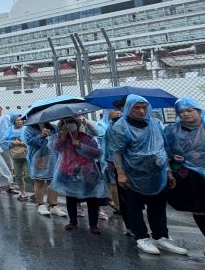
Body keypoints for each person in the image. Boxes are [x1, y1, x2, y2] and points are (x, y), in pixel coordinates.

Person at [107, 94, 187, 256]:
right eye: (137, 108)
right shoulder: (120, 126)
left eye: (144, 107)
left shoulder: (154, 123)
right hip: (133, 173)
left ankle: (160, 236)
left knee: (158, 206)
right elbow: (116, 152)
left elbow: (162, 148)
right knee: (134, 207)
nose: (142, 111)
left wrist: (168, 171)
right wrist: (121, 173)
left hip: (157, 173)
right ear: (128, 108)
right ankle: (141, 237)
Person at [51, 116, 107, 233]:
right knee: (71, 197)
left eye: (72, 122)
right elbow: (55, 148)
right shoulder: (60, 138)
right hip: (68, 172)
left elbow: (97, 153)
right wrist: (63, 136)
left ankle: (93, 225)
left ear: (77, 124)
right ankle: (73, 221)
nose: (70, 125)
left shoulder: (87, 138)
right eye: (66, 123)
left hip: (87, 173)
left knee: (91, 198)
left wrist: (80, 145)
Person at [163, 97, 205, 246]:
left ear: (198, 111)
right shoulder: (171, 130)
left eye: (189, 110)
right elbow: (164, 149)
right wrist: (172, 157)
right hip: (189, 174)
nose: (186, 114)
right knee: (198, 208)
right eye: (181, 111)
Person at [24, 121, 66, 217]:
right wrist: (41, 136)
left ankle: (53, 205)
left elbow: (59, 143)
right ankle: (40, 205)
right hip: (39, 158)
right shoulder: (29, 129)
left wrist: (61, 135)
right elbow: (29, 142)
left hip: (53, 157)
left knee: (53, 182)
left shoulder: (54, 128)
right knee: (39, 181)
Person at [4, 113, 31, 201]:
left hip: (27, 154)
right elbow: (4, 140)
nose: (20, 121)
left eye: (21, 120)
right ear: (13, 121)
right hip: (15, 155)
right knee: (18, 175)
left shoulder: (26, 128)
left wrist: (22, 143)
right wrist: (12, 142)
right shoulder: (10, 129)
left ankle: (36, 192)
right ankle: (23, 193)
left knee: (29, 175)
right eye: (18, 120)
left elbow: (30, 139)